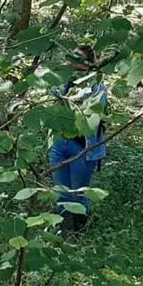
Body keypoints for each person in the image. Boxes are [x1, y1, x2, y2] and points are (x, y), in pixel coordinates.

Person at [49, 45, 107, 233]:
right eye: (71, 55)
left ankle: (79, 234)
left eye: (76, 56)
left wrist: (77, 102)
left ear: (86, 63)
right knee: (61, 192)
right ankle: (62, 234)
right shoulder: (63, 80)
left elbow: (95, 115)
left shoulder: (95, 84)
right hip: (59, 142)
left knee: (79, 193)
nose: (70, 59)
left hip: (82, 146)